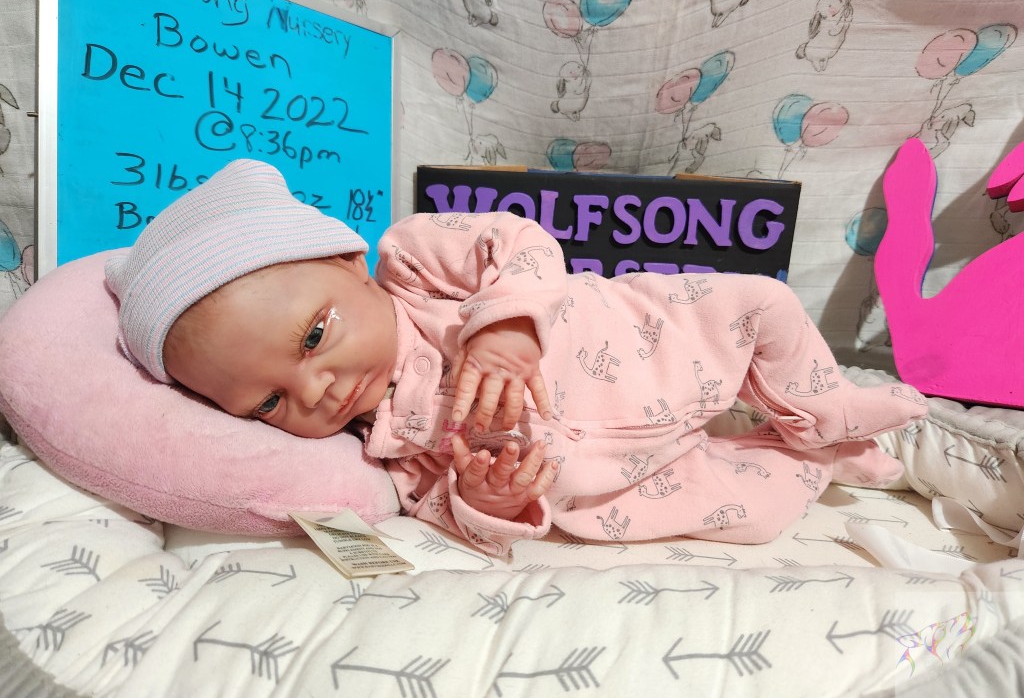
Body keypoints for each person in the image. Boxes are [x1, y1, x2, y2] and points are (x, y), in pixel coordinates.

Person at [105, 159, 927, 556]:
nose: (315, 389)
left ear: (348, 262)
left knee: (761, 304)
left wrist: (505, 326)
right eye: (269, 404)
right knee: (749, 511)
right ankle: (826, 460)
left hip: (648, 346)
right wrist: (483, 500)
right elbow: (437, 512)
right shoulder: (383, 447)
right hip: (619, 478)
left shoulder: (416, 266)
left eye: (314, 337)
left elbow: (522, 239)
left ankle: (821, 410)